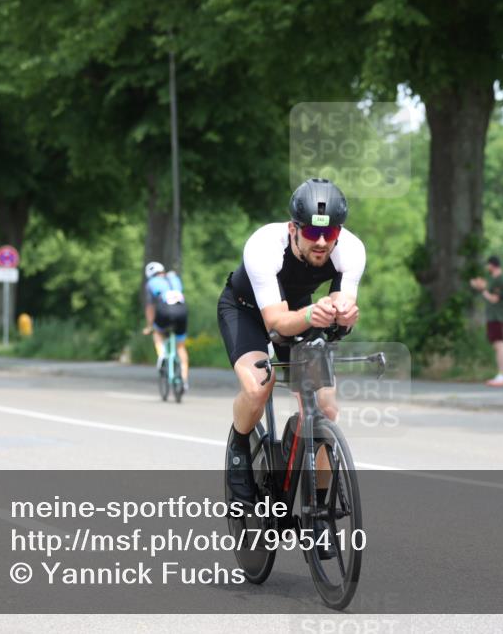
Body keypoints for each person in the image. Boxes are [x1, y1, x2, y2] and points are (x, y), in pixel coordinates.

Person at [217, 178, 364, 507]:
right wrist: (314, 314)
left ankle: (320, 507)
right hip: (247, 312)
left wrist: (343, 317)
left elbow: (339, 306)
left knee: (326, 407)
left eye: (331, 233)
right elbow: (277, 325)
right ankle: (239, 452)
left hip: (301, 312)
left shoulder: (351, 250)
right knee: (259, 386)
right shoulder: (265, 245)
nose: (322, 242)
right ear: (293, 228)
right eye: (312, 232)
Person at [143, 262, 190, 390]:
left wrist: (149, 325)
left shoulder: (151, 283)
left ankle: (162, 354)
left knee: (157, 332)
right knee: (181, 347)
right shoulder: (174, 278)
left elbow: (150, 307)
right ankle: (184, 381)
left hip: (164, 311)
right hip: (182, 311)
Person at [470, 256, 503, 386]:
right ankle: (501, 374)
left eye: (488, 265)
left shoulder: (500, 280)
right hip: (492, 316)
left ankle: (502, 374)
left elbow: (494, 298)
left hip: (497, 316)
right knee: (496, 345)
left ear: (492, 265)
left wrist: (482, 290)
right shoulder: (493, 280)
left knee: (500, 344)